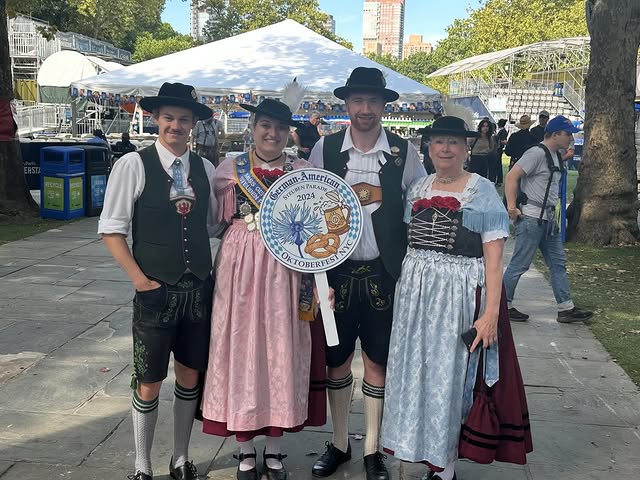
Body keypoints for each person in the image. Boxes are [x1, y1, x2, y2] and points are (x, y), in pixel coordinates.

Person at [381, 115, 532, 480]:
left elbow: (494, 260)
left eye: (453, 142)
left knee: (449, 376)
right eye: (438, 142)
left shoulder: (480, 192)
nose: (445, 149)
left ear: (466, 149)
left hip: (458, 293)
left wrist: (491, 313)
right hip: (416, 294)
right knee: (416, 370)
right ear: (428, 149)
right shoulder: (417, 187)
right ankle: (421, 449)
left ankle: (444, 465)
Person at [201, 94, 329, 480]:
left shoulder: (303, 170)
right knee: (239, 346)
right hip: (240, 265)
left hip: (287, 267)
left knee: (280, 346)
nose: (271, 134)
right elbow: (212, 224)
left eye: (278, 127)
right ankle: (244, 447)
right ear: (253, 128)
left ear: (288, 131)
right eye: (264, 126)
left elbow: (320, 225)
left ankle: (274, 447)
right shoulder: (228, 170)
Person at [309, 67, 427, 480]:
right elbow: (308, 213)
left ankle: (374, 448)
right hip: (335, 274)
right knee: (336, 361)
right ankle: (340, 443)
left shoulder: (403, 152)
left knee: (378, 361)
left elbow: (417, 207)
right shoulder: (323, 151)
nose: (365, 109)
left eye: (372, 101)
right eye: (358, 100)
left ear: (383, 105)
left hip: (384, 273)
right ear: (347, 104)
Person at [98, 82, 219, 480]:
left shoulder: (206, 169)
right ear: (155, 119)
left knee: (189, 374)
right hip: (155, 290)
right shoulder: (133, 165)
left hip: (199, 290)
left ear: (193, 124)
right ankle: (141, 463)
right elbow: (112, 230)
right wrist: (140, 280)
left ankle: (181, 458)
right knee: (149, 381)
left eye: (184, 119)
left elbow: (215, 225)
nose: (176, 125)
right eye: (169, 118)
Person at [504, 115, 593, 323]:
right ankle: (503, 306)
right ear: (554, 134)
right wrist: (511, 207)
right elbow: (511, 177)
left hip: (548, 220)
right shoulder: (536, 153)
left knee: (558, 263)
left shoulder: (553, 154)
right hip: (532, 219)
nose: (571, 138)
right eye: (567, 134)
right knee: (519, 264)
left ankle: (565, 308)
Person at [493, 118, 508, 186]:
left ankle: (499, 180)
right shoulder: (503, 131)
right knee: (498, 164)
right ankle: (499, 180)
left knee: (498, 165)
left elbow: (503, 141)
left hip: (498, 149)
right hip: (499, 149)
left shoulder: (502, 131)